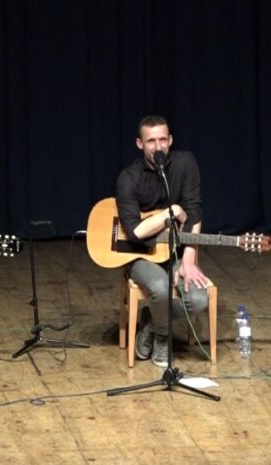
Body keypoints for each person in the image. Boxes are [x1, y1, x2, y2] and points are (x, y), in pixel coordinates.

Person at [116, 115, 211, 368]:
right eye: (151, 141)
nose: (158, 147)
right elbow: (135, 231)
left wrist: (189, 258)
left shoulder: (185, 163)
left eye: (162, 140)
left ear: (170, 140)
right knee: (158, 286)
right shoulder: (129, 178)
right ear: (140, 144)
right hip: (138, 255)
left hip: (175, 252)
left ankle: (150, 321)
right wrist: (168, 213)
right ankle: (162, 337)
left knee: (199, 299)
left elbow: (194, 211)